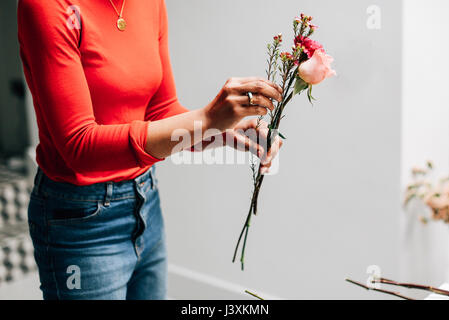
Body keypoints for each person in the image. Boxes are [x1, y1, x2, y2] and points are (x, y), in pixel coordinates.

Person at [18, 0, 283, 300]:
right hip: (80, 220)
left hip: (146, 201)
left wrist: (223, 131)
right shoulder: (46, 6)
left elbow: (161, 111)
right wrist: (207, 118)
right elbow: (79, 146)